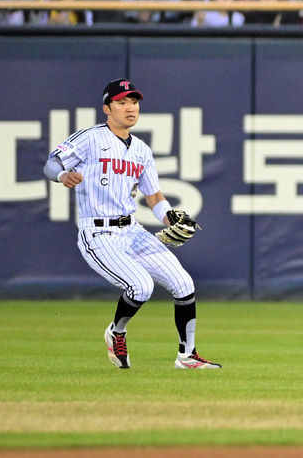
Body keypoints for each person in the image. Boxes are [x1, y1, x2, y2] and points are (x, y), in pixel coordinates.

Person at [43, 79, 221, 370]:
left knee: (184, 284)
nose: (130, 108)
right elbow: (51, 164)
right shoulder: (90, 138)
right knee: (141, 287)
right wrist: (62, 176)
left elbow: (155, 198)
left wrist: (170, 217)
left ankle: (187, 355)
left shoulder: (141, 150)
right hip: (98, 232)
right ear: (107, 108)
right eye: (122, 102)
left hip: (132, 230)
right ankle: (117, 332)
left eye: (134, 102)